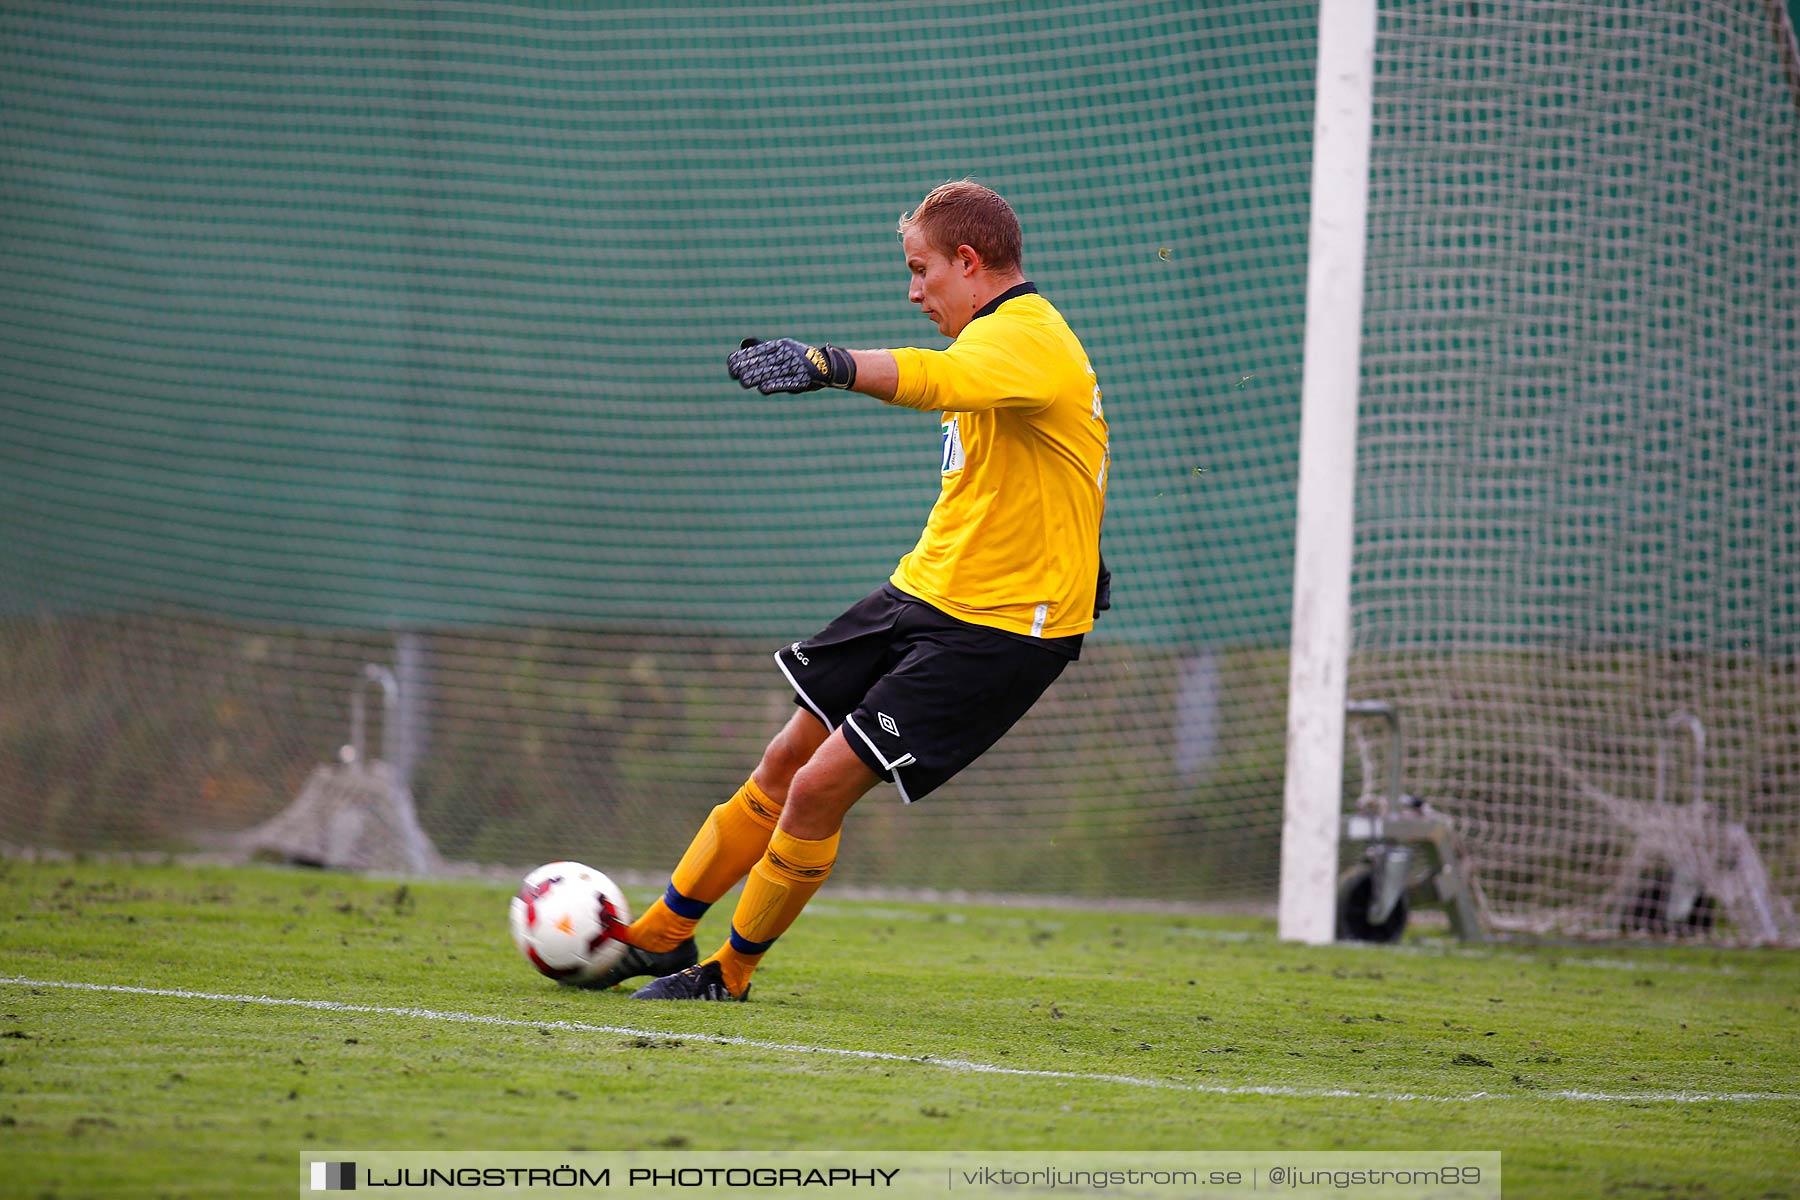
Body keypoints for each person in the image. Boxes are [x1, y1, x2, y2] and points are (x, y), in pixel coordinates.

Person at [605, 180, 1110, 1001]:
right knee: (781, 761)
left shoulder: (1029, 338)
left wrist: (826, 364)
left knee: (815, 789)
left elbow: (933, 381)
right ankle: (661, 934)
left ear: (970, 261)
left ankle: (727, 976)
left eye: (922, 271)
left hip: (997, 630)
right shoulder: (1005, 342)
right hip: (925, 592)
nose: (914, 292)